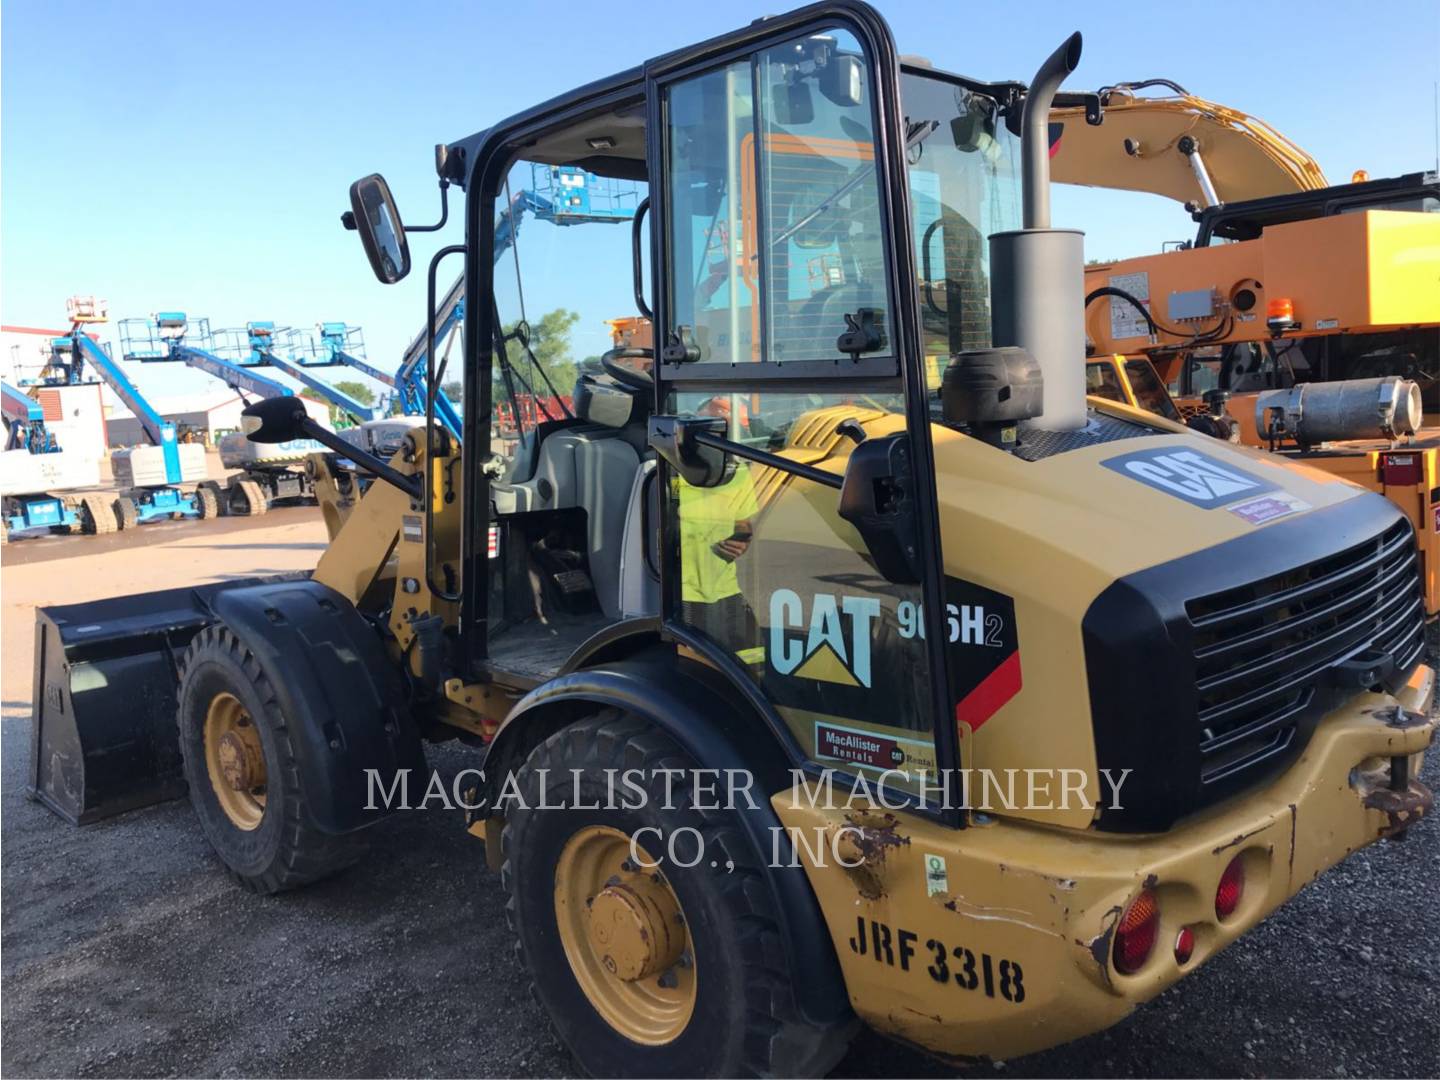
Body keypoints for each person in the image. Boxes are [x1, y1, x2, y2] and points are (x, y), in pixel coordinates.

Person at [676, 395, 763, 664]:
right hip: (683, 597)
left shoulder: (738, 473)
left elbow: (744, 526)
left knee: (754, 661)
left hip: (725, 590)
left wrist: (741, 540)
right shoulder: (669, 472)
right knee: (698, 671)